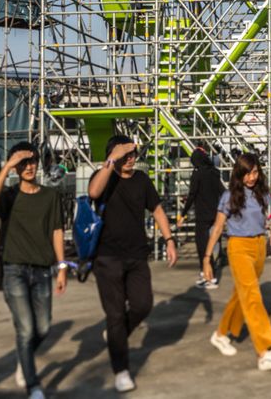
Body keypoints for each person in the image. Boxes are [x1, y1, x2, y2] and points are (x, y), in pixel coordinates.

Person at [88, 135, 178, 393]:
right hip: (106, 257)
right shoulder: (104, 175)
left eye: (133, 155)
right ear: (113, 155)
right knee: (115, 314)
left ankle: (117, 336)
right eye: (125, 155)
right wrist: (112, 160)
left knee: (142, 304)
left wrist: (169, 239)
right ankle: (121, 369)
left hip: (137, 254)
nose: (131, 159)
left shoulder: (141, 180)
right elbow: (93, 192)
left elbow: (157, 210)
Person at [0, 142, 67, 399]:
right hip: (14, 270)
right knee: (26, 329)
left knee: (43, 327)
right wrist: (7, 166)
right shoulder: (9, 196)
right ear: (15, 167)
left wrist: (62, 266)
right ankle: (33, 385)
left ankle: (25, 357)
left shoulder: (49, 196)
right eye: (23, 163)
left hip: (43, 270)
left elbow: (56, 230)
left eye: (32, 161)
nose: (29, 167)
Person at [203, 152, 271, 371]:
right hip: (238, 246)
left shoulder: (263, 193)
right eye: (247, 173)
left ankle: (220, 334)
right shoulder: (229, 196)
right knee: (252, 296)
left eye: (255, 172)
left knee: (241, 295)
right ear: (238, 174)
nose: (251, 177)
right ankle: (264, 351)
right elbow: (218, 227)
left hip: (259, 246)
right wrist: (206, 258)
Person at [177, 144, 224, 288]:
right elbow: (222, 191)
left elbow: (192, 195)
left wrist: (183, 214)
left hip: (202, 214)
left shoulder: (197, 174)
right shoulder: (215, 172)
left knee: (202, 245)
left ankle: (208, 276)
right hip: (215, 213)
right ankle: (210, 273)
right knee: (215, 242)